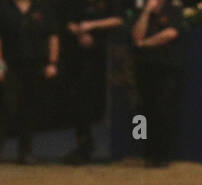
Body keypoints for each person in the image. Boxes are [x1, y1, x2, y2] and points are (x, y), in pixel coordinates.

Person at [60, 0, 123, 163]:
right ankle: (84, 145)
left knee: (107, 103)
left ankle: (137, 142)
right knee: (78, 101)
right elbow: (67, 21)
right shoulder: (75, 4)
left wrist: (91, 25)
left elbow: (119, 19)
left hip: (108, 59)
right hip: (77, 59)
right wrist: (79, 31)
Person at [0, 0, 60, 164]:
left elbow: (52, 36)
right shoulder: (4, 7)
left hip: (37, 65)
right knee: (6, 108)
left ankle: (25, 152)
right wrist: (0, 64)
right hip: (10, 66)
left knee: (30, 109)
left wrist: (52, 63)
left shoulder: (43, 7)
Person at [130, 0, 185, 167]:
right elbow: (136, 36)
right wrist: (146, 13)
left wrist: (146, 43)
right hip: (144, 68)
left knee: (163, 109)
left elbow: (170, 34)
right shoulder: (140, 11)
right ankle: (147, 153)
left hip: (166, 68)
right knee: (143, 113)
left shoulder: (173, 10)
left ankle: (163, 154)